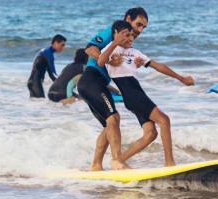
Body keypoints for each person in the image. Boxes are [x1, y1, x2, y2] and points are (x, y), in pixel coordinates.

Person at [98, 20, 195, 169]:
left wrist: (181, 78)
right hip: (131, 94)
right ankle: (169, 164)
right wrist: (115, 43)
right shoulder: (112, 50)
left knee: (150, 133)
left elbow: (158, 66)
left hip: (138, 92)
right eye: (126, 35)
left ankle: (118, 160)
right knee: (164, 120)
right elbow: (100, 61)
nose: (130, 38)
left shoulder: (135, 52)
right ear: (116, 35)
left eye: (131, 35)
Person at [78, 7, 154, 171]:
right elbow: (89, 48)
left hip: (97, 83)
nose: (140, 30)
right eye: (138, 24)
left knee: (109, 125)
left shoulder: (126, 42)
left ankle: (96, 165)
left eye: (143, 27)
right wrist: (106, 61)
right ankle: (118, 163)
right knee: (113, 118)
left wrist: (136, 64)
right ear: (128, 18)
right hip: (91, 79)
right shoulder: (111, 31)